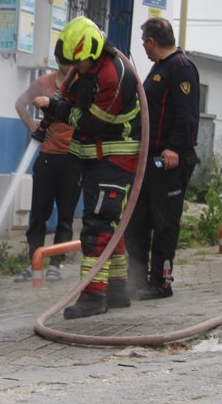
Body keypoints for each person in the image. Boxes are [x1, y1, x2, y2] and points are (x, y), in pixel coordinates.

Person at [33, 16, 141, 318]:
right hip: (97, 159)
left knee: (96, 227)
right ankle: (118, 290)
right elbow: (71, 96)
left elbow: (91, 122)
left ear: (90, 55)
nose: (72, 71)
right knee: (111, 227)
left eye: (75, 65)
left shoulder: (113, 77)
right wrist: (54, 106)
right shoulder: (90, 67)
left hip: (114, 159)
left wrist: (55, 108)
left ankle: (93, 296)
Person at [124, 17, 200, 300]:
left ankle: (161, 282)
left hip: (169, 161)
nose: (143, 47)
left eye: (144, 41)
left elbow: (187, 114)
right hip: (150, 160)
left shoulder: (181, 68)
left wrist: (175, 148)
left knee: (165, 222)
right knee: (138, 221)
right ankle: (137, 280)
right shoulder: (158, 69)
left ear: (152, 41)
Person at [13, 60, 81, 283]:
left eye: (71, 61)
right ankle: (35, 262)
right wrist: (34, 130)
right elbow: (20, 104)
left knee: (65, 217)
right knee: (39, 214)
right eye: (63, 61)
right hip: (47, 157)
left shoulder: (83, 84)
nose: (67, 65)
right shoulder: (44, 83)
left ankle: (56, 264)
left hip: (73, 158)